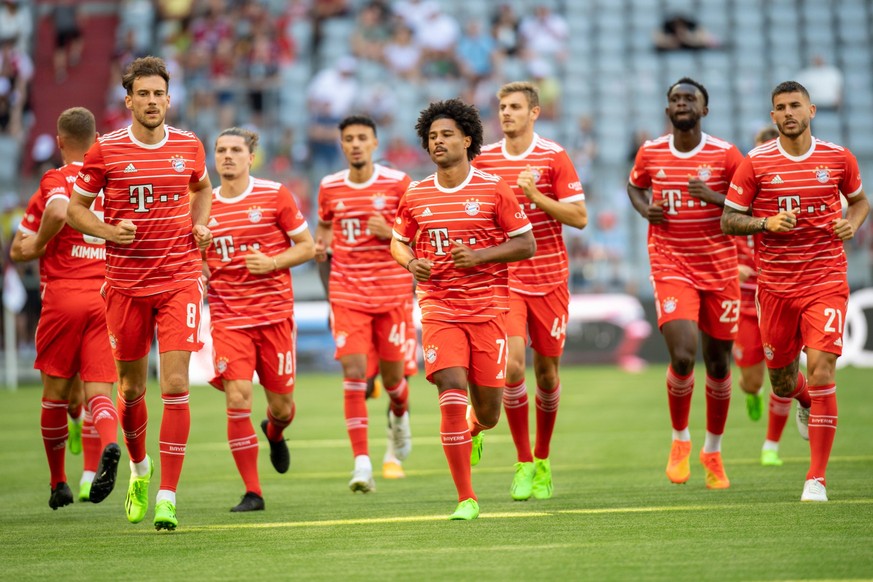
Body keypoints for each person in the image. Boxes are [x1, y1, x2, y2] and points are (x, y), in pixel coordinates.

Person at [66, 56, 213, 531]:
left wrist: (201, 223)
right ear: (129, 101)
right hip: (126, 286)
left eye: (159, 94)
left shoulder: (189, 145)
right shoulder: (105, 150)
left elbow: (203, 188)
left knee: (174, 385)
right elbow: (75, 211)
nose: (152, 102)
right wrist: (110, 230)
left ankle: (168, 496)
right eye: (143, 94)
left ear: (169, 100)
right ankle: (140, 470)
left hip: (179, 279)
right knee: (130, 389)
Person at [721, 81, 870, 502]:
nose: (788, 113)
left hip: (825, 280)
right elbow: (729, 221)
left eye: (795, 106)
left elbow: (860, 202)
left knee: (822, 369)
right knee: (783, 382)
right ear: (773, 117)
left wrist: (853, 224)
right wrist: (764, 223)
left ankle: (816, 479)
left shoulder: (838, 158)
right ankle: (801, 399)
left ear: (812, 110)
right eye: (780, 107)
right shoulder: (755, 163)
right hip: (774, 288)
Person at [391, 98, 536, 520]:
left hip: (489, 310)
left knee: (489, 412)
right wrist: (409, 262)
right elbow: (398, 242)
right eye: (432, 136)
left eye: (447, 134)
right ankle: (466, 498)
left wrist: (481, 256)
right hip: (439, 308)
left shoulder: (493, 188)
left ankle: (476, 429)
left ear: (467, 139)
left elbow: (526, 243)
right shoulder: (416, 194)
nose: (438, 141)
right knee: (450, 392)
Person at [627, 78, 744, 489]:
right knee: (682, 356)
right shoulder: (651, 151)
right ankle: (680, 440)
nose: (681, 103)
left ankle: (713, 450)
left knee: (717, 363)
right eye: (675, 98)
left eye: (689, 98)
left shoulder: (726, 155)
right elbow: (635, 184)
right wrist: (646, 210)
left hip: (720, 269)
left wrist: (713, 197)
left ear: (704, 110)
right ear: (667, 110)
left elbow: (749, 201)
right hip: (671, 263)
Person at [473, 81, 587, 501]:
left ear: (534, 112)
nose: (506, 113)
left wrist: (534, 195)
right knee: (514, 369)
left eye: (515, 107)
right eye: (502, 106)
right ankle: (522, 461)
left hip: (550, 279)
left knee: (547, 374)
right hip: (506, 281)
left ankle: (542, 458)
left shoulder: (553, 157)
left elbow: (579, 217)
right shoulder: (483, 160)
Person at [9, 107, 119, 510]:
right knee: (99, 393)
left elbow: (53, 214)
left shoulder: (57, 179)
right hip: (107, 296)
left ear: (59, 141)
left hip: (63, 297)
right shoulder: (112, 181)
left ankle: (59, 482)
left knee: (55, 396)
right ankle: (109, 444)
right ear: (96, 141)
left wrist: (38, 246)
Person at [205, 127, 314, 512]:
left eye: (236, 150)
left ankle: (275, 430)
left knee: (281, 406)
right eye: (221, 150)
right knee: (237, 398)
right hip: (228, 318)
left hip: (275, 316)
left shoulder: (274, 194)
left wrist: (272, 262)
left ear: (251, 158)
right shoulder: (200, 205)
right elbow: (189, 256)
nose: (228, 156)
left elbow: (308, 247)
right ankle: (253, 492)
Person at [314, 114, 414, 490]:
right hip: (348, 294)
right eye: (349, 139)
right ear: (342, 145)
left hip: (393, 295)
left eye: (362, 138)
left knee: (392, 382)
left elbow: (420, 232)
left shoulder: (398, 183)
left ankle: (401, 417)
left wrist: (389, 232)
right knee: (354, 374)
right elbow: (323, 228)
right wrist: (322, 246)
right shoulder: (329, 186)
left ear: (375, 144)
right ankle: (362, 464)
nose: (355, 144)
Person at [732, 125, 794, 466]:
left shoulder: (790, 200)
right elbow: (719, 237)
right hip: (744, 305)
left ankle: (771, 444)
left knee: (783, 378)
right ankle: (752, 392)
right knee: (752, 380)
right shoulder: (739, 196)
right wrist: (731, 268)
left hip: (780, 298)